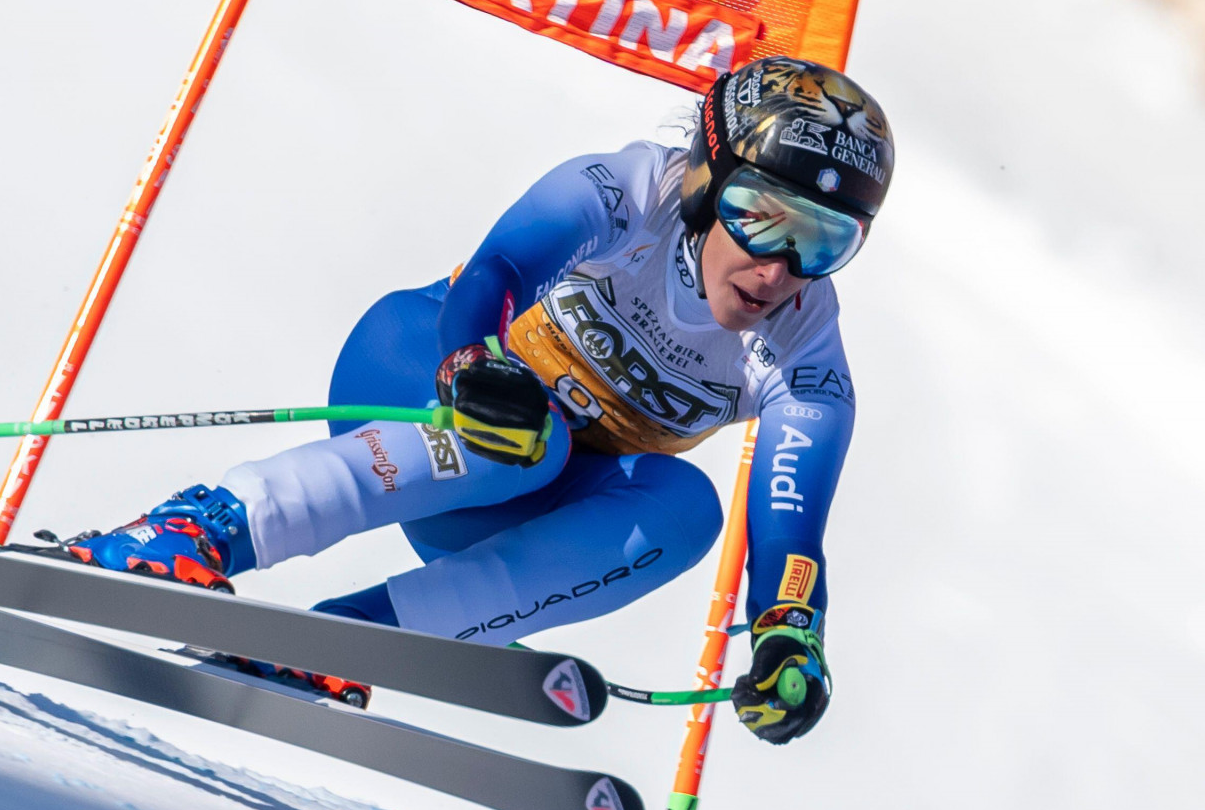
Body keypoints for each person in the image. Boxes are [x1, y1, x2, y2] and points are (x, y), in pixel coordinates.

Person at [68, 57, 894, 744]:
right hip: (412, 378)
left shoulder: (804, 351)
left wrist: (789, 631)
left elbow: (788, 528)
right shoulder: (631, 190)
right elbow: (497, 270)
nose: (778, 268)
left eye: (823, 241)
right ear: (709, 183)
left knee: (686, 509)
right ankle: (192, 530)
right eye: (760, 218)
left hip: (521, 496)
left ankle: (357, 640)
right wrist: (473, 363)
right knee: (535, 435)